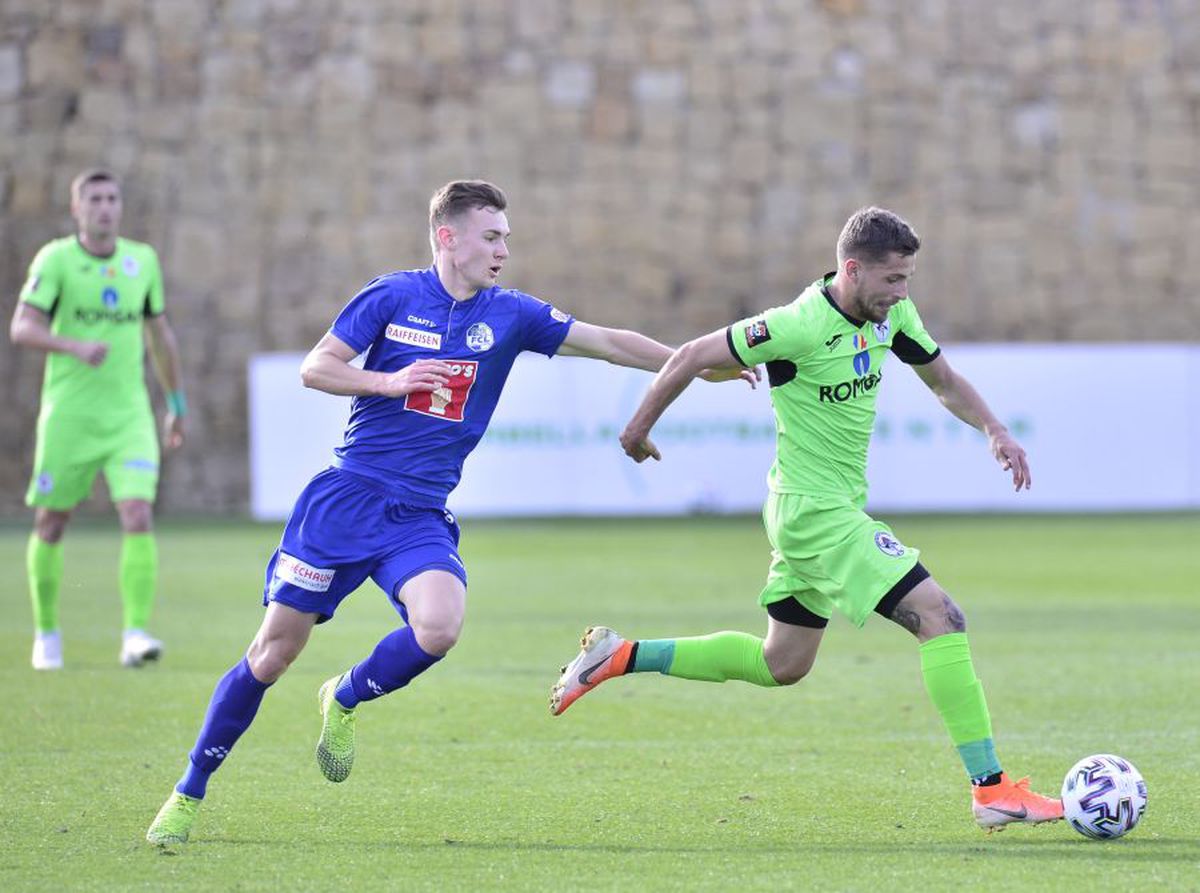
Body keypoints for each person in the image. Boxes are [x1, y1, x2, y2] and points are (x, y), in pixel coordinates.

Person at [145, 179, 754, 845]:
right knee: (272, 654)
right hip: (345, 501)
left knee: (439, 627)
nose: (503, 251)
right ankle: (187, 792)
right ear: (448, 237)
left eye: (506, 239)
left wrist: (694, 365)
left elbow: (607, 341)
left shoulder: (512, 313)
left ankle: (345, 694)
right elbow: (316, 367)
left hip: (418, 515)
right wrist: (389, 380)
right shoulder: (392, 296)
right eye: (491, 237)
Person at [549, 206, 1064, 832]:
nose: (902, 292)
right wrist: (636, 430)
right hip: (814, 513)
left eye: (907, 279)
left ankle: (621, 655)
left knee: (782, 664)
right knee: (941, 617)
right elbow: (689, 355)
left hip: (812, 510)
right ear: (853, 269)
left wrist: (994, 428)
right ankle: (992, 790)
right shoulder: (797, 325)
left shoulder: (892, 317)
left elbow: (943, 380)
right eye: (892, 279)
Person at [10, 168, 186, 671]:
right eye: (95, 200)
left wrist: (175, 405)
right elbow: (22, 327)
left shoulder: (141, 261)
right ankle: (46, 634)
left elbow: (160, 337)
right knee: (52, 521)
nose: (105, 208)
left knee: (138, 514)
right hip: (69, 415)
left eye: (112, 199)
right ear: (77, 208)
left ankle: (135, 634)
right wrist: (72, 345)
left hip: (128, 415)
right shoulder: (56, 260)